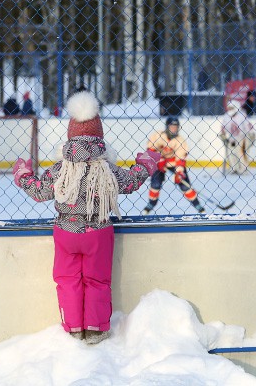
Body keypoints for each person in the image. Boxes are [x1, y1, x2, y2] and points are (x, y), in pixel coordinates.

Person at [12, 91, 159, 344]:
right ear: (100, 138)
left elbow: (39, 191)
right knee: (97, 280)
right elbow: (131, 181)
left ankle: (72, 327)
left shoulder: (61, 169)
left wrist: (23, 175)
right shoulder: (106, 168)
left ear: (70, 138)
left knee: (68, 281)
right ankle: (96, 328)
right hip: (98, 233)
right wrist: (145, 165)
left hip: (66, 232)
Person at [142, 117, 205, 214]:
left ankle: (197, 205)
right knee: (155, 184)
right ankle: (151, 203)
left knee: (185, 185)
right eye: (172, 127)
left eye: (176, 127)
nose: (174, 129)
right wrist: (159, 159)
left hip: (173, 163)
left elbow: (180, 158)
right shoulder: (158, 135)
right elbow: (150, 150)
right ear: (167, 127)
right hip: (158, 163)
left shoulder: (180, 140)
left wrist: (179, 172)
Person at [219, 100, 256, 175]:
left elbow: (248, 126)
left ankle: (243, 168)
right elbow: (223, 126)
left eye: (231, 108)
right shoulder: (226, 116)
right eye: (229, 108)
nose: (229, 109)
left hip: (241, 136)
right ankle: (234, 168)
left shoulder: (242, 115)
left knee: (239, 152)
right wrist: (222, 134)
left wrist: (251, 134)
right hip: (231, 137)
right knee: (230, 152)